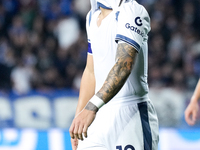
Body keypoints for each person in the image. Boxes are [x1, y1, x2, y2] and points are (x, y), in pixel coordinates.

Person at [69, 0, 159, 149]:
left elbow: (124, 65)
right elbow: (91, 71)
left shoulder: (131, 11)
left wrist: (91, 107)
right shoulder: (92, 16)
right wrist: (79, 116)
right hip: (97, 114)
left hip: (130, 113)